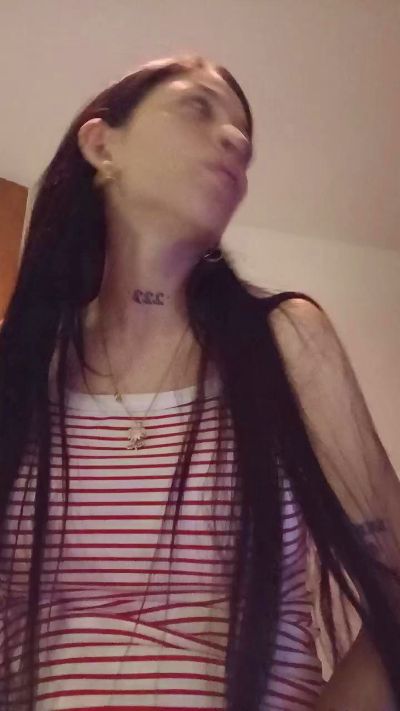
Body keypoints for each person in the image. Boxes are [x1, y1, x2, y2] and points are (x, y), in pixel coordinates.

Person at [0, 53, 399, 711]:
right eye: (197, 107)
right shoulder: (20, 364)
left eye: (245, 136)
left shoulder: (285, 341)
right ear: (102, 145)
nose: (236, 140)